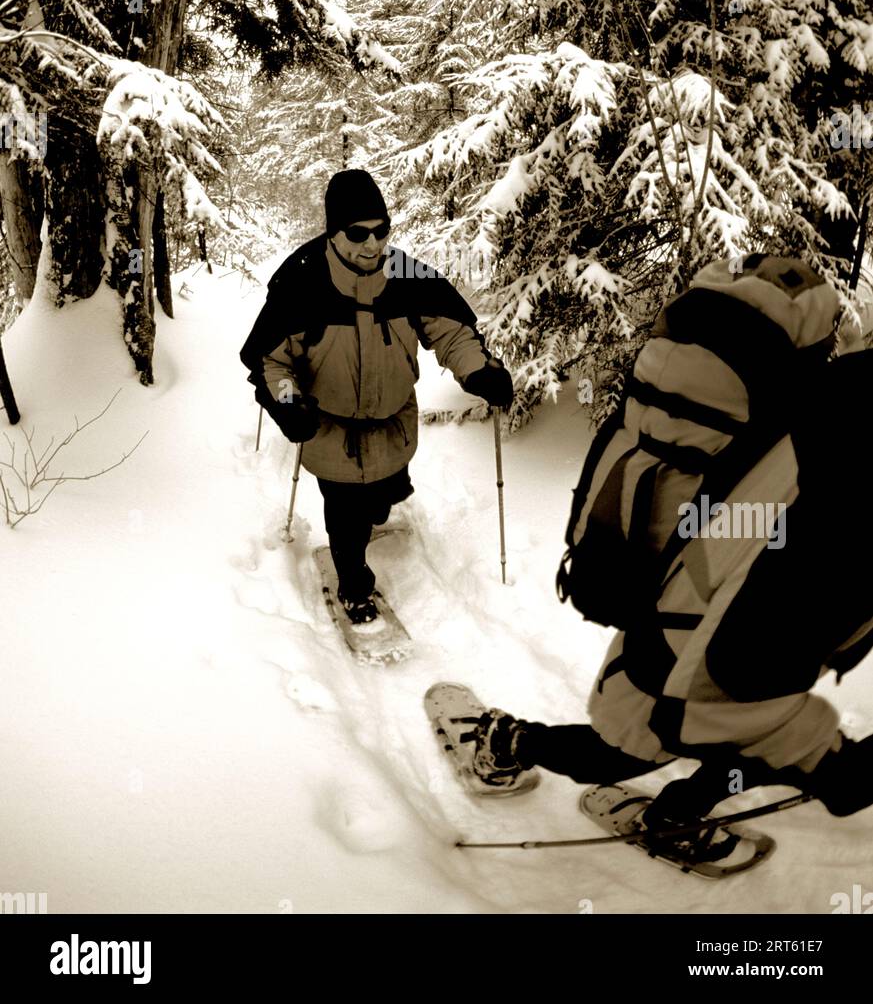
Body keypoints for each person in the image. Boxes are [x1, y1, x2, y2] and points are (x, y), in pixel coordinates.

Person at [466, 255, 873, 867]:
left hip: (684, 610)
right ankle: (529, 746)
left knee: (660, 742)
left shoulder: (797, 418)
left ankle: (540, 752)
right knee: (797, 764)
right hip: (727, 647)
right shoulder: (822, 426)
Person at [240, 169, 513, 624]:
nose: (373, 244)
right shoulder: (302, 282)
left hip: (393, 422)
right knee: (346, 517)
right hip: (329, 428)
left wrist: (477, 370)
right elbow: (272, 361)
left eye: (381, 230)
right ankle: (354, 584)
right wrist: (288, 404)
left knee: (382, 500)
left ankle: (371, 516)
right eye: (358, 233)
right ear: (334, 232)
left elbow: (449, 331)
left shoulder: (406, 274)